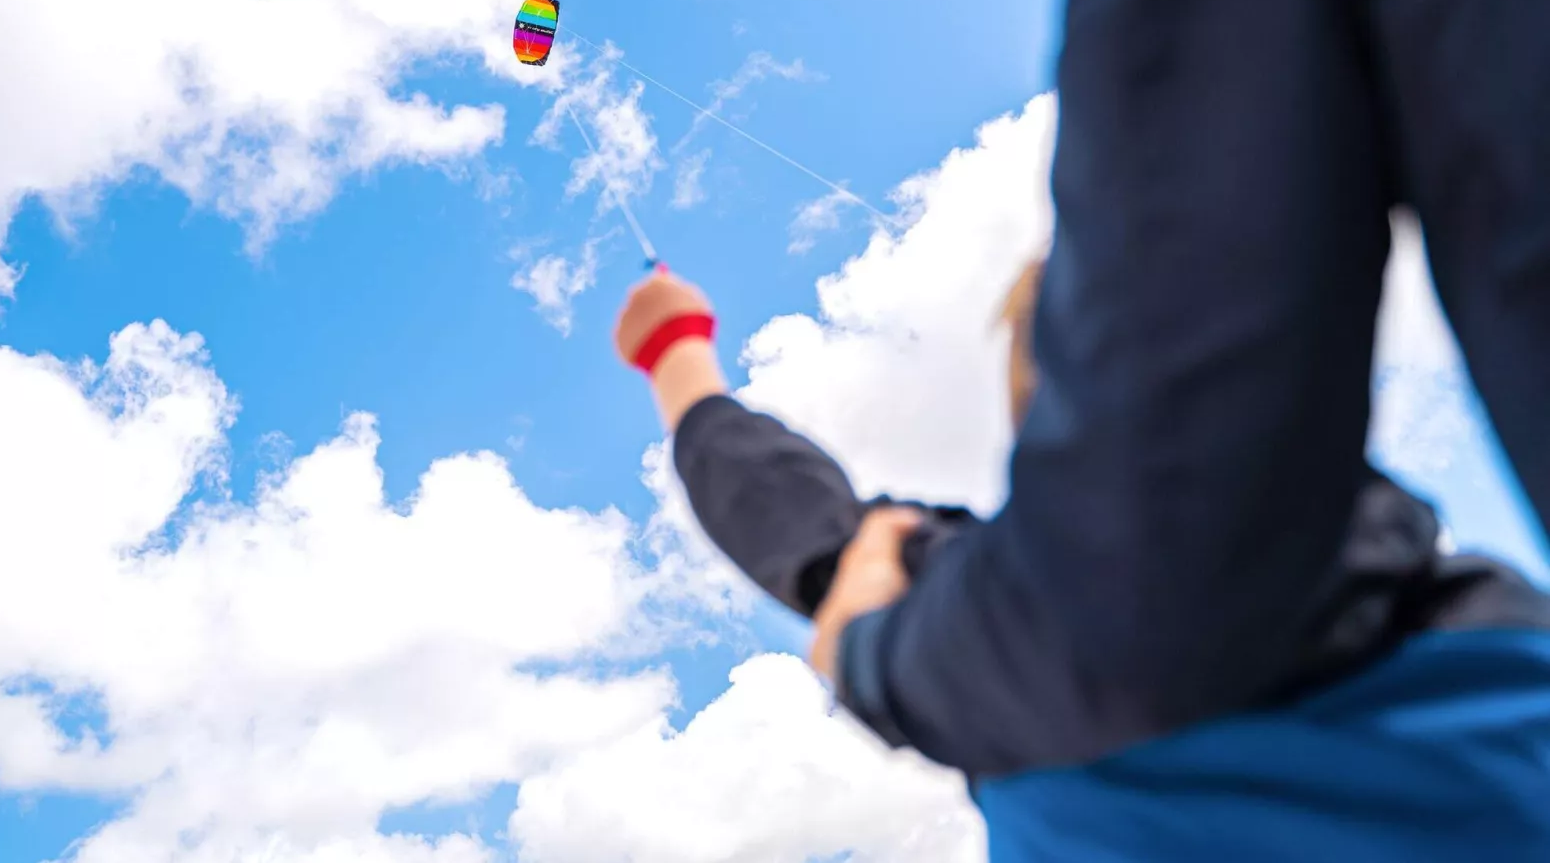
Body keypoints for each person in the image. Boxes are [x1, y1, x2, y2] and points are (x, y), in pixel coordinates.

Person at [615, 261, 1550, 859]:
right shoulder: (1506, 635)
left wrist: (676, 355)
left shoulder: (1009, 638)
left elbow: (794, 524)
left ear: (1045, 429)